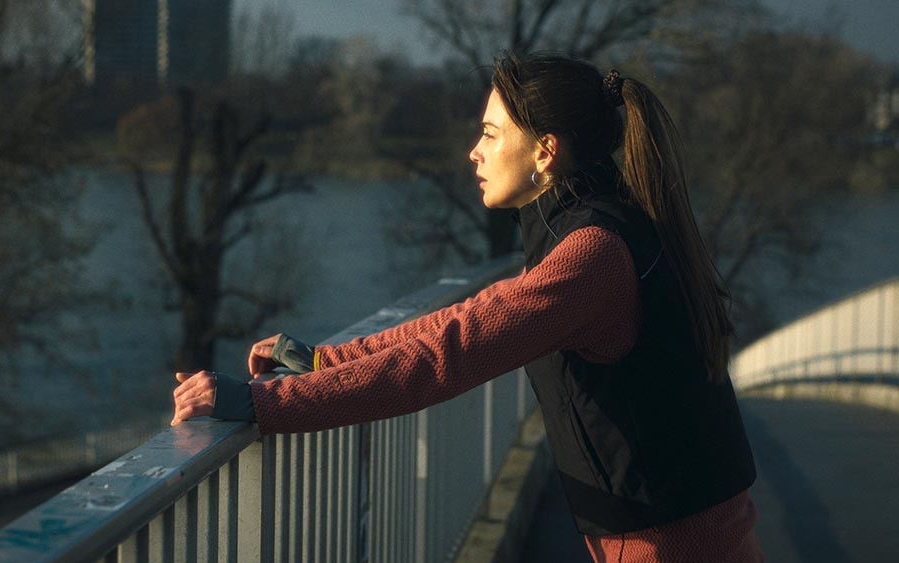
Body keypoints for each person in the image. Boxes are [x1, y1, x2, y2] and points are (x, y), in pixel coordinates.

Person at [170, 51, 765, 562]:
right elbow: (464, 320)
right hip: (677, 533)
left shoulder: (592, 254)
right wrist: (327, 362)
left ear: (546, 152)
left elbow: (450, 355)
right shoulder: (599, 230)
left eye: (490, 133)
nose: (472, 153)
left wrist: (258, 402)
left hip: (669, 546)